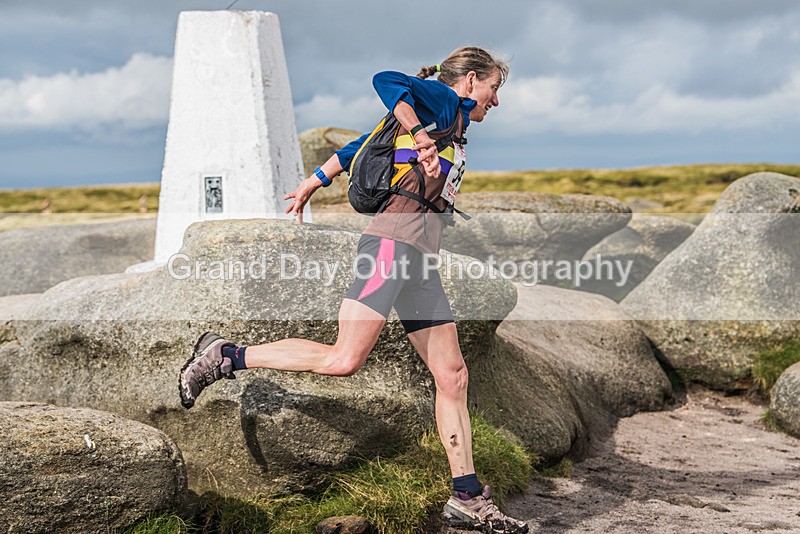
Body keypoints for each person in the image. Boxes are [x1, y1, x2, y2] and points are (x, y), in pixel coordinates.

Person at [179, 46, 529, 534]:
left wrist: (311, 181)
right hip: (390, 245)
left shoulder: (452, 124)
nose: (498, 99)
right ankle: (226, 355)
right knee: (345, 359)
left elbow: (363, 144)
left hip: (419, 257)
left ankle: (466, 497)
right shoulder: (442, 103)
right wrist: (419, 132)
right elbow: (386, 78)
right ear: (470, 81)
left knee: (453, 376)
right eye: (495, 87)